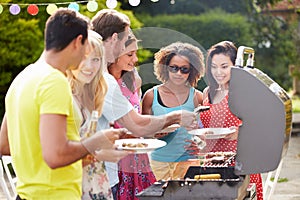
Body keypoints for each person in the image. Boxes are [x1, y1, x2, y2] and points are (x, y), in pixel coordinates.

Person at [0, 9, 128, 199]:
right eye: (86, 47)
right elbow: (56, 156)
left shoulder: (23, 77)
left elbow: (5, 145)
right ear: (78, 42)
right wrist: (98, 140)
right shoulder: (54, 81)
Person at [91, 9, 197, 199]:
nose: (135, 59)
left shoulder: (101, 77)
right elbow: (136, 124)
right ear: (115, 38)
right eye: (128, 47)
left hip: (111, 168)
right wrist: (176, 117)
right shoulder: (103, 80)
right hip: (105, 172)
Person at [67, 30, 129, 200]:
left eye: (95, 59)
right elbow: (57, 154)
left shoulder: (90, 94)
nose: (89, 66)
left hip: (95, 182)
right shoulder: (64, 95)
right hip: (72, 186)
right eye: (83, 58)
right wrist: (100, 153)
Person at [199, 41, 263, 200]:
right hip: (213, 163)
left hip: (240, 162)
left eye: (224, 66)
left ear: (235, 66)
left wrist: (239, 133)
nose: (218, 72)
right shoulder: (207, 92)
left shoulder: (243, 92)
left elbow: (261, 125)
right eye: (214, 66)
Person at [141, 42, 205, 180]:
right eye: (173, 68)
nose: (178, 73)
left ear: (192, 71)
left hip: (189, 162)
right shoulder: (151, 96)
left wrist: (200, 144)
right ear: (165, 68)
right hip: (157, 163)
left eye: (184, 69)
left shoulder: (197, 97)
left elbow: (206, 131)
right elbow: (143, 132)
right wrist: (154, 134)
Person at [109, 33, 156, 200]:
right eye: (130, 54)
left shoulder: (134, 79)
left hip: (137, 156)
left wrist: (154, 131)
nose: (135, 59)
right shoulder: (103, 82)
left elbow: (138, 117)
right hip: (114, 158)